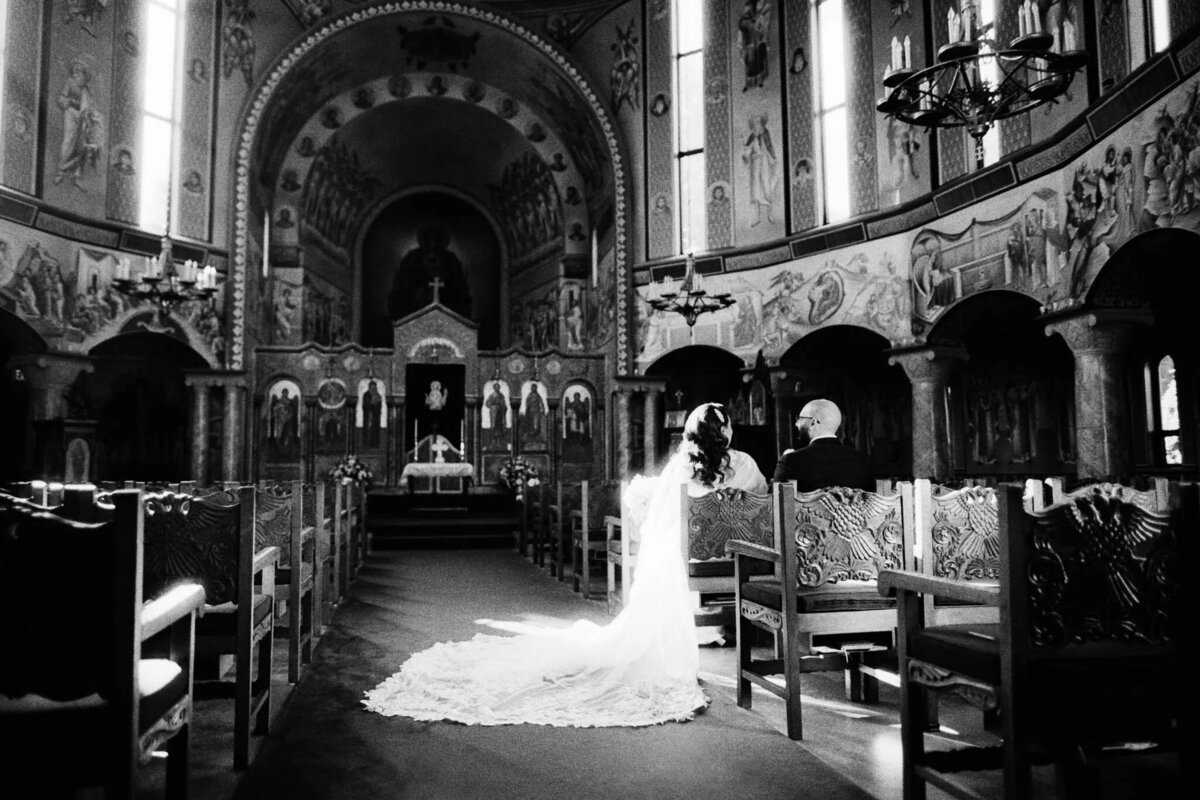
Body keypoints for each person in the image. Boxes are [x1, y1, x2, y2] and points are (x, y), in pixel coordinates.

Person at [363, 402, 766, 727]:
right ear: (728, 432)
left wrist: (638, 499)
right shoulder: (745, 464)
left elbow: (656, 516)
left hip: (684, 562)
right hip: (731, 557)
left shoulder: (678, 469)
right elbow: (760, 505)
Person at [772, 399, 874, 491]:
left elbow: (775, 505)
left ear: (813, 423)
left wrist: (787, 459)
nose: (796, 423)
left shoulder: (790, 462)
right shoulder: (863, 460)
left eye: (800, 419)